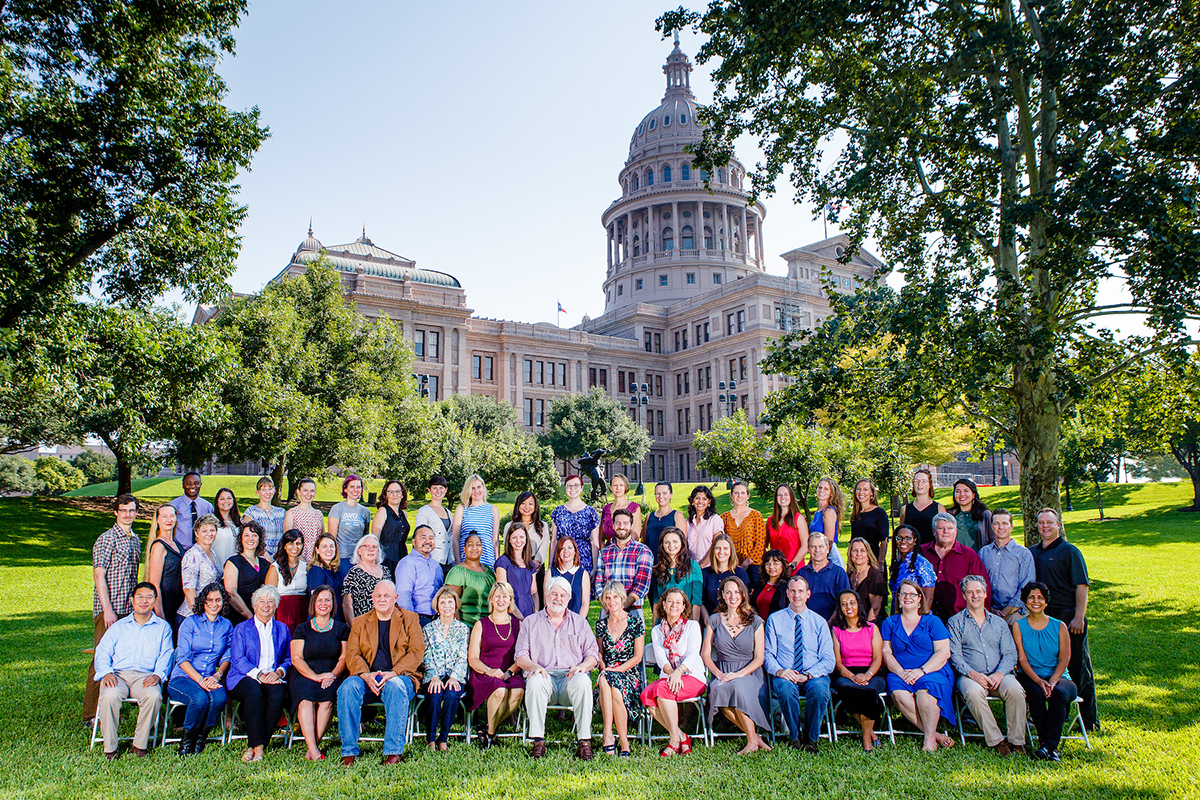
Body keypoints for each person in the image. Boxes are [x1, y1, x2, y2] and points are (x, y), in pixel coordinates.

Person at [337, 580, 424, 765]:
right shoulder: (360, 622)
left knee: (394, 686)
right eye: (378, 595)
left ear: (395, 598)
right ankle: (349, 752)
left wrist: (393, 673)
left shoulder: (410, 619)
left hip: (400, 677)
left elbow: (417, 653)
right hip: (367, 677)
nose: (382, 599)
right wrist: (365, 675)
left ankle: (393, 752)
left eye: (386, 596)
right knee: (347, 688)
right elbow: (352, 654)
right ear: (372, 598)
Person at [514, 577, 600, 760]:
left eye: (562, 595)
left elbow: (593, 654)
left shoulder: (580, 623)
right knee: (535, 681)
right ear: (546, 596)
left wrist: (582, 667)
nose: (558, 598)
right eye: (554, 594)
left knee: (584, 681)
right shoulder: (530, 622)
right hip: (545, 677)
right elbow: (520, 655)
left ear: (568, 599)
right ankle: (538, 742)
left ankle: (584, 742)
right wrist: (534, 666)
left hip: (571, 678)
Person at [1030, 507, 1098, 732]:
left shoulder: (1070, 551)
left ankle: (1088, 720)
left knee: (1077, 666)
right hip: (1042, 619)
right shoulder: (1033, 552)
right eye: (1041, 523)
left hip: (1068, 617)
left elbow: (1082, 585)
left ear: (1058, 525)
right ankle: (1052, 713)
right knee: (1047, 665)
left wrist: (1079, 616)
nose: (1045, 527)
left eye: (1050, 522)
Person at [947, 574, 1026, 756]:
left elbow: (1010, 654)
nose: (974, 596)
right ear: (964, 595)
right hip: (970, 676)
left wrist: (999, 674)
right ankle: (997, 740)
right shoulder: (955, 623)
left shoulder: (999, 623)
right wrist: (974, 674)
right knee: (973, 693)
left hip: (1000, 675)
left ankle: (1017, 741)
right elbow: (955, 657)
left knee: (1015, 690)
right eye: (970, 592)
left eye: (978, 592)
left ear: (985, 594)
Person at [93, 582, 173, 759]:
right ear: (132, 600)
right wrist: (106, 672)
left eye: (149, 597)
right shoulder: (119, 627)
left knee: (154, 696)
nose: (144, 601)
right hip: (118, 675)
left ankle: (139, 744)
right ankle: (110, 747)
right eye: (140, 597)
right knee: (109, 696)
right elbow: (102, 651)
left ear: (155, 601)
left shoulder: (162, 627)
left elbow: (166, 654)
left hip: (146, 676)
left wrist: (157, 675)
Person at [84, 495, 144, 727]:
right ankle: (90, 715)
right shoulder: (107, 539)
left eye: (132, 510)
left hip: (128, 611)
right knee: (101, 660)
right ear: (115, 512)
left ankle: (113, 704)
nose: (128, 514)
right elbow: (99, 575)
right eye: (124, 510)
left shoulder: (135, 540)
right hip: (109, 610)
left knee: (122, 660)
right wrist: (107, 610)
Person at [881, 579, 957, 752]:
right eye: (903, 594)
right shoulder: (890, 623)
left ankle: (929, 740)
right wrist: (900, 672)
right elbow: (886, 652)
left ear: (919, 599)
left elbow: (944, 652)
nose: (907, 597)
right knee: (898, 693)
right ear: (898, 598)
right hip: (900, 671)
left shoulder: (933, 622)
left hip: (931, 669)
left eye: (912, 594)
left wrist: (922, 671)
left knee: (926, 690)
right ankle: (935, 734)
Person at [764, 575, 834, 753]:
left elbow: (828, 659)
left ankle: (811, 738)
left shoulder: (819, 622)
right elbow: (768, 654)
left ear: (808, 594)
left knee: (819, 690)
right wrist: (780, 671)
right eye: (793, 591)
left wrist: (809, 675)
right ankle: (794, 737)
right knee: (786, 690)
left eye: (801, 591)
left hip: (813, 673)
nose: (797, 595)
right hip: (786, 673)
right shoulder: (775, 619)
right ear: (787, 594)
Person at [703, 576, 771, 755]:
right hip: (723, 671)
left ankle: (750, 741)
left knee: (737, 688)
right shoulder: (714, 620)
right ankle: (755, 738)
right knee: (718, 690)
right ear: (723, 596)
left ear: (743, 594)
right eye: (728, 592)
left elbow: (759, 658)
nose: (733, 596)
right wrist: (718, 674)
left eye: (737, 592)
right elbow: (705, 655)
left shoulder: (755, 621)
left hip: (749, 673)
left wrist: (738, 674)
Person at [1013, 581, 1078, 761]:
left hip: (1059, 677)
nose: (1036, 601)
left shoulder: (1059, 626)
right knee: (1035, 693)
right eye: (1031, 597)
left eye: (1040, 598)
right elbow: (1022, 659)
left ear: (1046, 602)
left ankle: (1048, 746)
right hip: (1030, 676)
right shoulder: (1018, 626)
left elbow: (1064, 658)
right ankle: (1048, 746)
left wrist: (1053, 681)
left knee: (1058, 694)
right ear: (1025, 602)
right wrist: (1039, 681)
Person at [227, 585, 292, 762]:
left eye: (270, 601)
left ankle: (254, 745)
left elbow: (288, 657)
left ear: (275, 606)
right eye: (261, 601)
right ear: (254, 605)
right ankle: (259, 747)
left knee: (278, 695)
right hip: (244, 676)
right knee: (254, 692)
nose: (266, 605)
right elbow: (238, 659)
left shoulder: (282, 629)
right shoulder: (242, 628)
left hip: (272, 676)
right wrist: (259, 675)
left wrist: (279, 672)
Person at [168, 582, 231, 755]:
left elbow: (227, 656)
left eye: (218, 600)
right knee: (199, 698)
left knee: (219, 698)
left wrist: (217, 676)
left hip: (210, 677)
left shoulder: (226, 626)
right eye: (209, 600)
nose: (214, 604)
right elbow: (182, 658)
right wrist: (200, 681)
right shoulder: (190, 623)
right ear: (203, 602)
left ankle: (200, 739)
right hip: (184, 677)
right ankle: (187, 742)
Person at [642, 587, 705, 756]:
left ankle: (673, 741)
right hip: (669, 677)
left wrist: (679, 672)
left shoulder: (692, 626)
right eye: (670, 601)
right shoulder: (657, 630)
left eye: (678, 602)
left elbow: (693, 654)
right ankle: (681, 735)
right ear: (663, 604)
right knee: (646, 695)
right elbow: (661, 658)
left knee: (662, 690)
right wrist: (672, 673)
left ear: (684, 607)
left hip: (692, 677)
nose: (674, 606)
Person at [290, 584, 349, 761]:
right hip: (305, 673)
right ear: (313, 603)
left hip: (332, 674)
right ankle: (314, 750)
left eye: (328, 600)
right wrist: (315, 677)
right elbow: (296, 658)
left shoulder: (341, 628)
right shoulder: (302, 628)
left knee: (327, 701)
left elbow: (344, 657)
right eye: (320, 600)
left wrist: (332, 675)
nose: (324, 604)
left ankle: (312, 747)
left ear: (333, 603)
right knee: (305, 700)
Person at [467, 582, 526, 748]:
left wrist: (509, 672)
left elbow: (522, 655)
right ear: (491, 599)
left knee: (518, 691)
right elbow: (472, 658)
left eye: (505, 596)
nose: (501, 600)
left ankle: (487, 729)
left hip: (510, 672)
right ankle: (491, 734)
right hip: (484, 673)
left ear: (510, 601)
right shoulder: (481, 624)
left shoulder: (517, 625)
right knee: (499, 690)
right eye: (497, 596)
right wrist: (489, 671)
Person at [830, 589, 887, 751]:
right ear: (839, 608)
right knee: (849, 689)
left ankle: (866, 738)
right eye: (844, 604)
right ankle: (870, 734)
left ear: (858, 605)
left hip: (871, 672)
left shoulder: (871, 628)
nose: (848, 607)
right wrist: (852, 676)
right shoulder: (836, 631)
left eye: (852, 603)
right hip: (846, 673)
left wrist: (867, 675)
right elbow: (837, 662)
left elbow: (878, 658)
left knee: (868, 690)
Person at [595, 581, 644, 757]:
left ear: (622, 598)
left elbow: (638, 657)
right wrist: (604, 666)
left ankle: (620, 740)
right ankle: (611, 735)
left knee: (615, 688)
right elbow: (599, 653)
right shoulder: (601, 625)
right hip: (608, 672)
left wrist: (618, 670)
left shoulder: (635, 622)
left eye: (615, 597)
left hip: (629, 672)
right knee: (604, 678)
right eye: (607, 598)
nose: (611, 601)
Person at [423, 587, 470, 751]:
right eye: (442, 602)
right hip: (433, 675)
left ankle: (443, 738)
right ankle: (430, 739)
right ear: (437, 605)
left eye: (450, 602)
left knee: (451, 694)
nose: (446, 605)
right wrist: (433, 677)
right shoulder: (428, 629)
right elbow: (426, 654)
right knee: (435, 695)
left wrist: (455, 677)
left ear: (456, 605)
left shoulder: (464, 630)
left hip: (454, 676)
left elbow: (463, 657)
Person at [922, 512, 991, 621]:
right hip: (925, 618)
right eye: (941, 528)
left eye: (950, 528)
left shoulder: (969, 556)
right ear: (933, 531)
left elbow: (983, 587)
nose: (946, 532)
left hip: (960, 619)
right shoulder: (922, 553)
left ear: (956, 531)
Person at [978, 509, 1036, 624]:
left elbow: (1026, 586)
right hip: (989, 613)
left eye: (1005, 523)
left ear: (1012, 526)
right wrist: (990, 609)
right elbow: (980, 583)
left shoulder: (1023, 554)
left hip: (1015, 613)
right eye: (996, 523)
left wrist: (1006, 611)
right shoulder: (984, 553)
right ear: (992, 526)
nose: (1000, 527)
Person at [594, 508, 654, 615]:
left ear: (631, 526)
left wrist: (621, 607)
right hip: (607, 609)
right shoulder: (604, 553)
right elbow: (598, 583)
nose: (621, 526)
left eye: (625, 523)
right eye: (618, 523)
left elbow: (641, 586)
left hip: (633, 609)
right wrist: (609, 607)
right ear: (613, 526)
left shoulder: (643, 551)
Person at [145, 503, 184, 637]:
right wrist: (160, 615)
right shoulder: (159, 546)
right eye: (164, 516)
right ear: (157, 520)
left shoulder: (176, 544)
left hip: (178, 603)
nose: (169, 520)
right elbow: (154, 584)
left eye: (172, 516)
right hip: (166, 603)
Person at [223, 521, 272, 624]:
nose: (250, 539)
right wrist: (250, 617)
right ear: (241, 538)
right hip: (240, 616)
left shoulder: (265, 564)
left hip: (262, 616)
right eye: (246, 535)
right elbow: (231, 592)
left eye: (254, 535)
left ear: (259, 539)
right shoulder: (233, 562)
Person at [395, 524, 445, 625]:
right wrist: (411, 621)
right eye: (423, 538)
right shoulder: (408, 563)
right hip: (417, 618)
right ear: (413, 542)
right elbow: (403, 596)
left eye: (431, 538)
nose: (428, 541)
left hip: (437, 619)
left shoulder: (436, 565)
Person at [796, 532, 852, 621]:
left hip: (833, 624)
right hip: (806, 624)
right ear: (808, 549)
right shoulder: (801, 573)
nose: (817, 550)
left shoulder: (838, 573)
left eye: (821, 546)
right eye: (813, 547)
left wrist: (829, 624)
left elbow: (843, 602)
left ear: (827, 549)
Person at [551, 474, 601, 574]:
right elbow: (554, 541)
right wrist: (550, 566)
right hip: (563, 558)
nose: (572, 488)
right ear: (565, 488)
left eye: (576, 485)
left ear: (582, 488)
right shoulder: (558, 512)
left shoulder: (591, 513)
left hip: (584, 560)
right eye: (569, 485)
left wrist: (595, 567)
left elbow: (594, 542)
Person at [648, 527, 701, 619]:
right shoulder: (659, 568)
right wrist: (654, 627)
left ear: (682, 543)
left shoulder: (692, 566)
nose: (671, 545)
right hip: (664, 622)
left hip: (685, 621)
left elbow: (696, 601)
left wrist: (694, 625)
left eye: (675, 541)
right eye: (667, 542)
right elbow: (657, 601)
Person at [445, 533, 497, 626]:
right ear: (464, 549)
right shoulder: (458, 572)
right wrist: (458, 628)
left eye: (478, 545)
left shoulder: (489, 571)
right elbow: (450, 603)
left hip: (489, 626)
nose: (474, 548)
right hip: (467, 626)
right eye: (470, 545)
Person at [722, 481, 767, 586]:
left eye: (742, 493)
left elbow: (761, 543)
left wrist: (746, 563)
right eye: (736, 493)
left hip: (753, 566)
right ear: (731, 495)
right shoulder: (724, 517)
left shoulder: (756, 515)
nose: (739, 496)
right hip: (731, 566)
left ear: (748, 496)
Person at [178, 514, 222, 621]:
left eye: (212, 530)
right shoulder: (193, 554)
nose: (209, 534)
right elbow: (189, 589)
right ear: (196, 533)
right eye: (204, 531)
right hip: (192, 616)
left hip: (209, 612)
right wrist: (199, 617)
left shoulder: (212, 553)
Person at [453, 474, 500, 568]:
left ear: (483, 487)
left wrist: (497, 565)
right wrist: (458, 564)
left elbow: (495, 540)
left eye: (479, 487)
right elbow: (455, 539)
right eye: (472, 488)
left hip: (487, 560)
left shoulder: (493, 509)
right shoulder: (462, 508)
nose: (476, 491)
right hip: (466, 561)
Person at [266, 528, 308, 631]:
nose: (295, 547)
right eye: (291, 543)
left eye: (298, 543)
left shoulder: (306, 567)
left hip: (302, 610)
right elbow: (268, 597)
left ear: (302, 546)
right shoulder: (275, 568)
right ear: (284, 546)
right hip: (282, 611)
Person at [343, 534, 393, 620]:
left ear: (378, 551)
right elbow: (347, 604)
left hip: (387, 622)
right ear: (359, 551)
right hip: (365, 625)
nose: (371, 549)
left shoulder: (385, 570)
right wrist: (354, 628)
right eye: (367, 546)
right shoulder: (354, 573)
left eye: (374, 547)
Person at [700, 533, 750, 619]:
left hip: (735, 622)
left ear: (731, 551)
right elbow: (700, 601)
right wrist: (707, 619)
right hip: (710, 621)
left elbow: (746, 600)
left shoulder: (740, 573)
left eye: (725, 548)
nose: (721, 552)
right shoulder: (705, 573)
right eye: (718, 548)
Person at [495, 523, 539, 620]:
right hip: (511, 613)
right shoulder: (503, 562)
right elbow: (503, 593)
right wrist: (520, 618)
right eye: (514, 537)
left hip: (529, 612)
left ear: (526, 539)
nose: (518, 541)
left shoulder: (530, 565)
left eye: (521, 537)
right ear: (509, 540)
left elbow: (534, 592)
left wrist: (535, 616)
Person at [414, 475, 456, 575]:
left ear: (445, 490)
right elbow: (420, 538)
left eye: (441, 488)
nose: (438, 491)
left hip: (449, 561)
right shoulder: (424, 511)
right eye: (435, 488)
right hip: (432, 559)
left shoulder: (448, 512)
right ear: (429, 490)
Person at [890, 524, 935, 612]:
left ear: (915, 541)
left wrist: (920, 620)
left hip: (916, 616)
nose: (903, 541)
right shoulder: (898, 563)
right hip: (898, 615)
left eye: (908, 538)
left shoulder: (922, 564)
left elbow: (928, 597)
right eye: (899, 538)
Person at [502, 490, 552, 571]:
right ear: (518, 505)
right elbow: (508, 548)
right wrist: (522, 562)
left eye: (530, 504)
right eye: (523, 503)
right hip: (515, 566)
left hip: (536, 567)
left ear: (535, 506)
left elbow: (543, 549)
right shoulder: (509, 526)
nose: (527, 507)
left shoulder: (543, 526)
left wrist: (534, 563)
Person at [307, 532, 350, 622]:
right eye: (324, 546)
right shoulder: (316, 571)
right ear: (317, 550)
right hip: (324, 621)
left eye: (331, 546)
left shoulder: (337, 571)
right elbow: (318, 601)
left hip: (338, 619)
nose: (329, 549)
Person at [331, 474, 374, 562]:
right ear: (345, 489)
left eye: (358, 487)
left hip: (359, 558)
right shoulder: (337, 509)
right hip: (342, 557)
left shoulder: (365, 512)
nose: (355, 490)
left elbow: (365, 537)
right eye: (352, 487)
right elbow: (332, 538)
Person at [898, 468, 945, 547]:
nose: (919, 484)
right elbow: (901, 535)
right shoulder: (905, 509)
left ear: (929, 484)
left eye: (923, 481)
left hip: (932, 553)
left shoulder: (939, 508)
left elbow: (944, 535)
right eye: (916, 481)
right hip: (911, 554)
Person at [371, 478, 410, 574]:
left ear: (402, 494)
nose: (395, 495)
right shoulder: (382, 511)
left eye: (397, 491)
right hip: (387, 557)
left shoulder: (403, 514)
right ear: (386, 495)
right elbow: (375, 538)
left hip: (402, 556)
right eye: (390, 492)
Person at [282, 477, 325, 563]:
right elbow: (287, 540)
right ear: (298, 492)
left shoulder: (318, 514)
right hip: (297, 559)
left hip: (316, 559)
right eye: (305, 490)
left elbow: (322, 539)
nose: (309, 494)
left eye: (312, 491)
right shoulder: (292, 513)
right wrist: (300, 560)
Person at [767, 484, 808, 572]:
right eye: (779, 495)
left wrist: (792, 565)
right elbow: (764, 545)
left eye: (786, 494)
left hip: (794, 569)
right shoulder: (770, 520)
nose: (783, 497)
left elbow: (805, 546)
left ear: (791, 497)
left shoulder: (798, 518)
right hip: (775, 570)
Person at [850, 479, 890, 568]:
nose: (861, 492)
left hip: (874, 558)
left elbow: (884, 540)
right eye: (858, 489)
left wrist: (880, 562)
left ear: (872, 493)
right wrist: (849, 563)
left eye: (865, 489)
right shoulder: (855, 514)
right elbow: (852, 540)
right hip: (857, 558)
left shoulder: (879, 513)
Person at [846, 537, 887, 624]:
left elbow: (875, 609)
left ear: (868, 554)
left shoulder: (875, 576)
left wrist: (865, 630)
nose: (858, 554)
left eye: (862, 551)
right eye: (855, 551)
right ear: (850, 554)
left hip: (872, 624)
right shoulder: (849, 576)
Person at [242, 476, 286, 557]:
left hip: (280, 557)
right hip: (260, 556)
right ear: (257, 492)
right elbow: (248, 538)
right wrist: (266, 556)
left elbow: (286, 536)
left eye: (270, 489)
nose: (267, 492)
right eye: (263, 489)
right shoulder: (251, 512)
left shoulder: (281, 512)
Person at [168, 471, 212, 549]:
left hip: (202, 550)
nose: (192, 486)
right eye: (188, 483)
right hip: (179, 551)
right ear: (183, 485)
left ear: (200, 485)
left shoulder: (207, 506)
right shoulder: (173, 506)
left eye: (196, 483)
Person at [809, 477, 846, 568]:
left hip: (829, 557)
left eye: (826, 489)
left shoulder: (829, 512)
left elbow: (829, 541)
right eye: (820, 487)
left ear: (831, 493)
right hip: (818, 554)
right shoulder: (818, 512)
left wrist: (819, 562)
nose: (822, 490)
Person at [547, 535, 590, 614]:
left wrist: (577, 623)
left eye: (569, 548)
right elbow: (547, 602)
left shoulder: (583, 574)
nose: (566, 551)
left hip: (577, 621)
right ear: (558, 552)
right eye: (562, 548)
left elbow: (585, 604)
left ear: (575, 551)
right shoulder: (550, 573)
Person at [949, 478, 994, 550]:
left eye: (966, 491)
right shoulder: (949, 516)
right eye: (958, 491)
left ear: (973, 495)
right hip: (956, 559)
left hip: (979, 559)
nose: (962, 494)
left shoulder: (985, 515)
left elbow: (993, 541)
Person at [685, 485, 724, 568]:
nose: (700, 502)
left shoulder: (715, 520)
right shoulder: (687, 522)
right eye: (697, 498)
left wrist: (702, 565)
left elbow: (717, 544)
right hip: (691, 568)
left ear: (709, 502)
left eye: (704, 499)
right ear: (692, 500)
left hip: (709, 567)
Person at [644, 481, 686, 556]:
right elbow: (644, 542)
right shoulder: (649, 517)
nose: (661, 496)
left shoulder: (677, 515)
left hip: (668, 561)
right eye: (658, 493)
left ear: (671, 495)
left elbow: (682, 543)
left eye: (664, 493)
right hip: (650, 561)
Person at [600, 473, 642, 547]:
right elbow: (600, 537)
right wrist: (604, 549)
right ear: (610, 487)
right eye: (615, 485)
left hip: (627, 550)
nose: (618, 488)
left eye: (621, 485)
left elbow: (635, 535)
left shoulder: (634, 508)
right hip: (608, 553)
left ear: (625, 487)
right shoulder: (606, 509)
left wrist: (620, 549)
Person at [750, 549, 791, 619]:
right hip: (759, 626)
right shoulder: (760, 583)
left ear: (783, 565)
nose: (771, 567)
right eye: (768, 564)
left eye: (775, 563)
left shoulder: (788, 585)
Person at [211, 487, 240, 567]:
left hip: (235, 567)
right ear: (217, 502)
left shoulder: (238, 521)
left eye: (229, 498)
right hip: (218, 566)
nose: (226, 501)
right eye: (222, 499)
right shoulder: (212, 521)